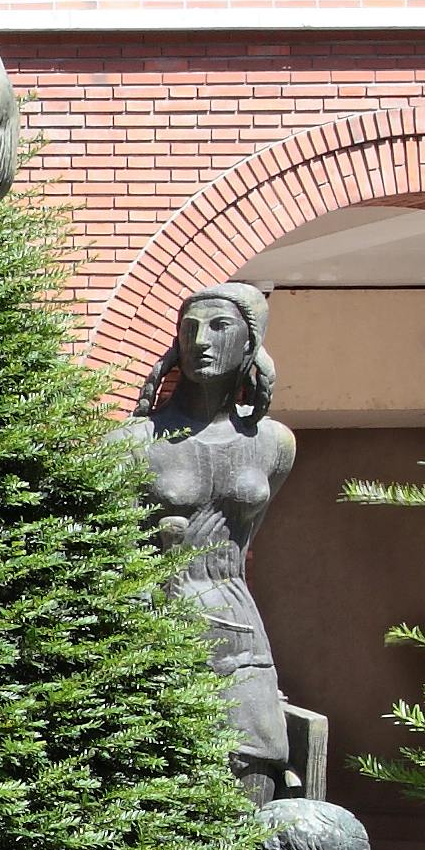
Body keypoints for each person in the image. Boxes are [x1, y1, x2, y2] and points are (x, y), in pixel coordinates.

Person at [127, 282, 303, 798]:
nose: (201, 340)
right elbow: (114, 552)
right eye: (190, 328)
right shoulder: (134, 443)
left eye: (220, 327)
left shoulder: (273, 444)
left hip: (238, 627)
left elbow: (244, 545)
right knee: (159, 780)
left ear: (251, 343)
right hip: (159, 622)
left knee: (255, 772)